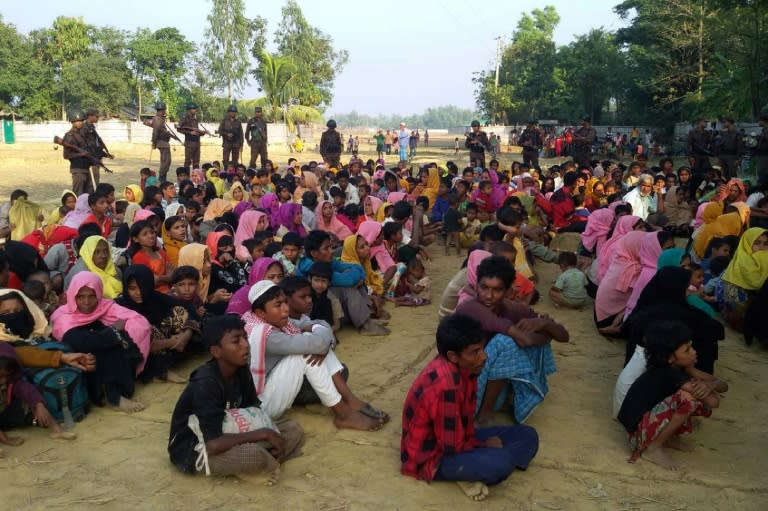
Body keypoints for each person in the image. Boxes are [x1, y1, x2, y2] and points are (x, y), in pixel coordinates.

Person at [400, 314, 539, 502]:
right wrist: (484, 445)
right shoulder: (446, 385)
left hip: (461, 436)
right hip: (430, 457)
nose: (483, 356)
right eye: (475, 352)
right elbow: (451, 446)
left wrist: (482, 444)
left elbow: (463, 428)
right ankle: (469, 471)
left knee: (527, 435)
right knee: (501, 463)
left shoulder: (466, 367)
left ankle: (476, 468)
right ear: (453, 356)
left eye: (481, 348)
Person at [168, 314, 304, 481]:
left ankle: (262, 461)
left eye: (245, 337)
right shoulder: (206, 382)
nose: (246, 345)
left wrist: (266, 433)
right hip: (198, 447)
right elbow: (212, 444)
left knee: (292, 428)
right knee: (253, 454)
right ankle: (262, 461)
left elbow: (252, 411)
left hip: (231, 431)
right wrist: (263, 435)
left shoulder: (239, 368)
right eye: (236, 341)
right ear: (216, 351)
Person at [243, 280, 386, 430]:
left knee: (316, 347)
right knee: (305, 353)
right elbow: (318, 341)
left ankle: (349, 400)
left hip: (279, 388)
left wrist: (317, 333)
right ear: (260, 313)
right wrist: (320, 339)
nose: (285, 309)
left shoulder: (275, 321)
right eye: (278, 305)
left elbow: (321, 325)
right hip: (263, 405)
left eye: (285, 302)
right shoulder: (266, 335)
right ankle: (343, 413)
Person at [455, 255, 569, 424]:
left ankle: (503, 399)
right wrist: (541, 332)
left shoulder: (513, 309)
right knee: (507, 342)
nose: (489, 295)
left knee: (521, 339)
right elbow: (525, 340)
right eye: (484, 287)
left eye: (497, 290)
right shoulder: (470, 308)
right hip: (463, 386)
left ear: (508, 290)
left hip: (489, 382)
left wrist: (544, 324)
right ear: (476, 286)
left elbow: (563, 337)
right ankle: (485, 414)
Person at [617, 321, 727, 469]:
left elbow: (723, 386)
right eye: (687, 350)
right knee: (688, 399)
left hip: (644, 424)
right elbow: (714, 401)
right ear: (670, 358)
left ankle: (666, 438)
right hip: (637, 435)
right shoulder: (668, 373)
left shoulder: (674, 366)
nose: (694, 352)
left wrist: (707, 382)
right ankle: (653, 448)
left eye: (691, 346)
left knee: (693, 397)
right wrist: (708, 386)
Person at [51, 272, 151, 412]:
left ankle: (123, 388)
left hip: (100, 349)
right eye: (80, 297)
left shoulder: (105, 307)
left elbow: (138, 321)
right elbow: (83, 343)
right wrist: (113, 330)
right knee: (99, 350)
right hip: (79, 363)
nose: (86, 302)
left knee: (117, 344)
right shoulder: (64, 318)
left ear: (98, 294)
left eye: (92, 296)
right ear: (73, 296)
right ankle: (113, 397)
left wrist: (110, 334)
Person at [117, 265, 200, 383]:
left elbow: (187, 306)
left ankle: (175, 355)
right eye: (132, 288)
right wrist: (170, 342)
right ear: (126, 287)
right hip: (144, 349)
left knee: (180, 311)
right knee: (142, 328)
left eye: (143, 287)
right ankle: (160, 371)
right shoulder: (119, 305)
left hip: (172, 343)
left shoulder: (154, 296)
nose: (138, 292)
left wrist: (186, 334)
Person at [295, 230, 387, 336]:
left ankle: (367, 316)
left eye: (330, 247)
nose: (331, 251)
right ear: (314, 253)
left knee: (358, 284)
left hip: (326, 303)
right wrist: (354, 276)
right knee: (346, 288)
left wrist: (355, 275)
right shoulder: (312, 267)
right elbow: (349, 280)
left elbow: (354, 267)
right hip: (314, 312)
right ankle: (364, 324)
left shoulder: (325, 261)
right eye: (326, 248)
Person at [716, 228, 768, 330]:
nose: (762, 247)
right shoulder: (739, 264)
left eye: (766, 244)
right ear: (747, 244)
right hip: (735, 307)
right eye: (757, 243)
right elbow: (731, 299)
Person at [64, 235, 123, 299]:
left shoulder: (114, 270)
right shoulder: (82, 274)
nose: (103, 256)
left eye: (105, 251)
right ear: (89, 253)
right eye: (97, 252)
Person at [62, 110, 95, 196]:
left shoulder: (82, 135)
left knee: (89, 194)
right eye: (77, 121)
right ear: (72, 122)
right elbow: (66, 155)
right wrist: (81, 154)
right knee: (78, 194)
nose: (80, 123)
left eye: (81, 120)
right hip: (78, 169)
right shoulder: (69, 136)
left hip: (86, 168)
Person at [176, 102, 205, 169]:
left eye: (195, 109)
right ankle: (186, 177)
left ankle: (196, 178)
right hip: (189, 144)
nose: (195, 110)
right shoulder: (184, 118)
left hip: (197, 143)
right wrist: (189, 133)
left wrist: (202, 133)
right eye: (193, 109)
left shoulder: (195, 120)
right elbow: (179, 129)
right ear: (189, 110)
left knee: (196, 162)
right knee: (187, 162)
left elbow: (196, 131)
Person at [150, 101, 173, 182]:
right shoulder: (157, 119)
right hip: (162, 143)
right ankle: (162, 179)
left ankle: (163, 178)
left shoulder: (160, 119)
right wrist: (154, 142)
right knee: (165, 162)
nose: (165, 111)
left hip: (164, 143)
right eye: (164, 110)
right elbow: (155, 132)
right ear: (162, 110)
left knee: (167, 162)